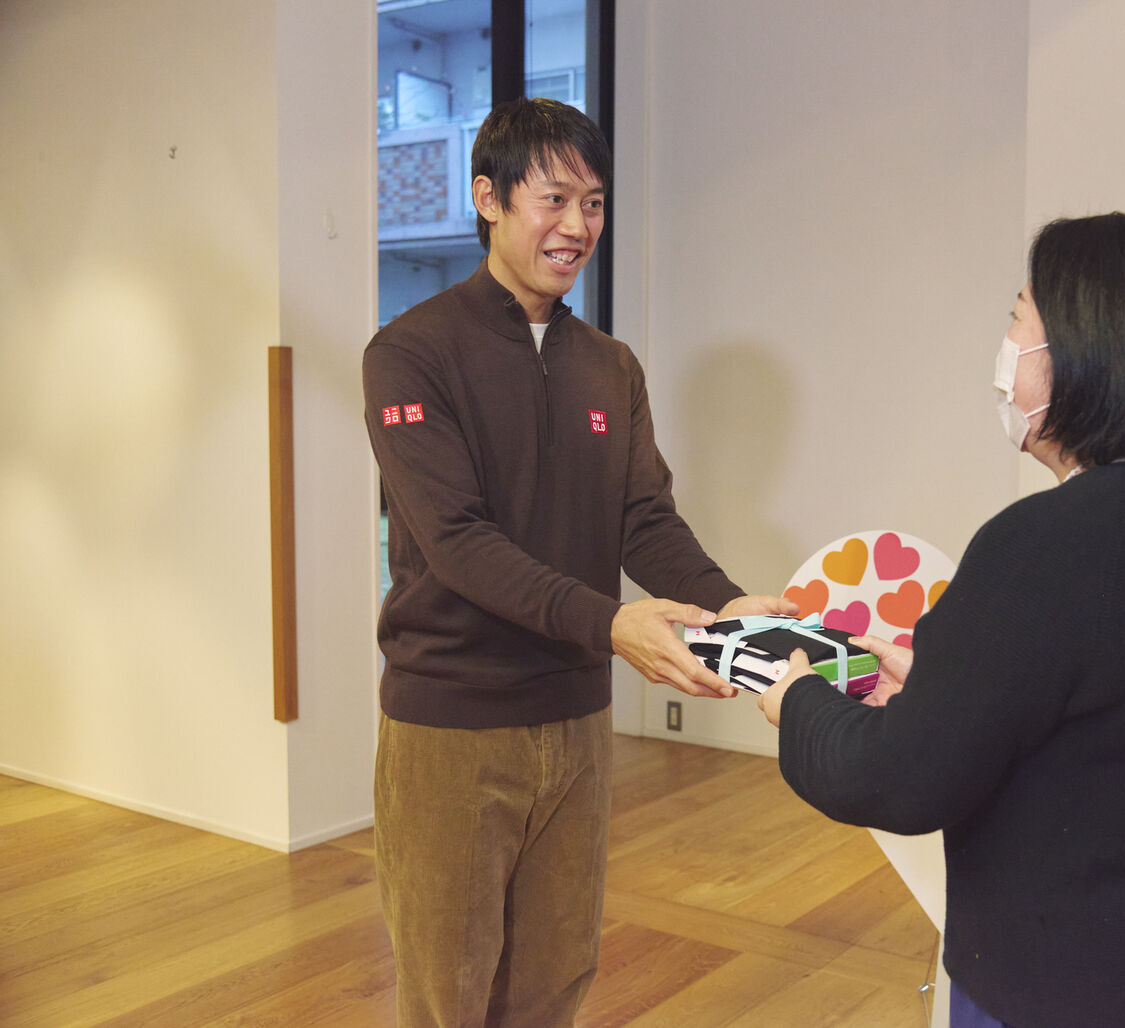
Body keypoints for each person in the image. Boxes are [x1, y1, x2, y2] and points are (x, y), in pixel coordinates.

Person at [758, 213, 1125, 1027]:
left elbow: (897, 779)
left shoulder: (1045, 542)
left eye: (1018, 319)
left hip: (1087, 987)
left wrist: (796, 701)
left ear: (1087, 354)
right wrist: (952, 687)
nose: (1006, 345)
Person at [363, 97, 793, 1027]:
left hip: (576, 718)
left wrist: (729, 606)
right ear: (487, 197)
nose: (577, 227)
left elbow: (643, 520)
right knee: (450, 992)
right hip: (451, 725)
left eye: (594, 203)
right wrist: (611, 624)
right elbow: (460, 542)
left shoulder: (611, 365)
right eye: (553, 199)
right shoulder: (410, 354)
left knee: (555, 981)